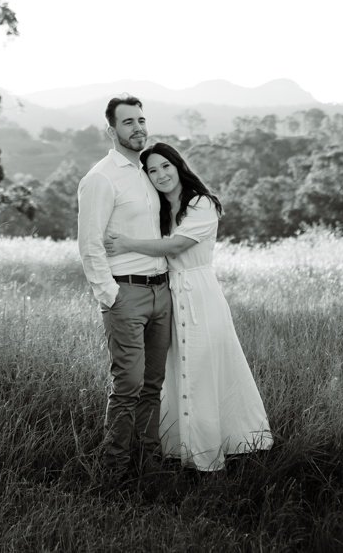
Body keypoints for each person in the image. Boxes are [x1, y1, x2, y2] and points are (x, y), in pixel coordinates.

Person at [103, 143, 272, 472]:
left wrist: (126, 243)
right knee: (176, 374)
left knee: (203, 373)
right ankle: (180, 449)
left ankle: (211, 454)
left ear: (178, 166)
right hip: (170, 295)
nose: (161, 175)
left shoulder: (201, 204)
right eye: (152, 170)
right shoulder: (160, 211)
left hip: (200, 295)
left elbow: (178, 245)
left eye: (165, 166)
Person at [76, 94, 172, 488]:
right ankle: (113, 470)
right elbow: (89, 244)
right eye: (128, 122)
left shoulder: (147, 172)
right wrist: (109, 295)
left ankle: (149, 463)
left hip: (161, 293)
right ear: (111, 130)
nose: (138, 128)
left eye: (141, 120)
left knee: (153, 385)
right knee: (128, 385)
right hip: (126, 296)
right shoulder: (100, 177)